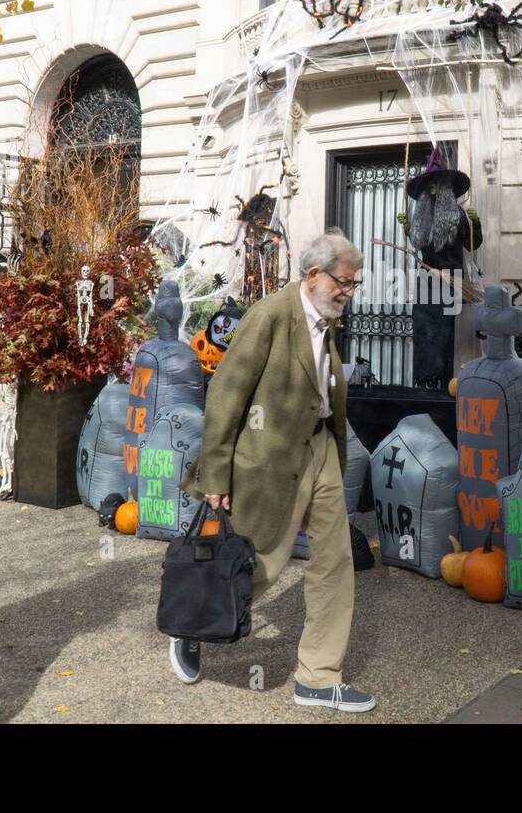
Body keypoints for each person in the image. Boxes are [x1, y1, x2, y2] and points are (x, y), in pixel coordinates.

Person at [173, 229, 374, 712]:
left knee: (334, 559)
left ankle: (318, 677)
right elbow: (225, 395)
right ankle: (192, 626)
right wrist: (216, 474)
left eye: (354, 284)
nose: (348, 292)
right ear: (312, 275)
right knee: (258, 560)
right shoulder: (268, 317)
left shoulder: (325, 316)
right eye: (343, 283)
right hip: (269, 456)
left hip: (321, 446)